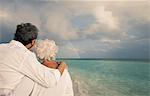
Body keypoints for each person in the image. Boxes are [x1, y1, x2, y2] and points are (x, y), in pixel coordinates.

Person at [0, 23, 67, 96]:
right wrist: (62, 65)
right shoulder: (25, 55)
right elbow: (50, 81)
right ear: (33, 41)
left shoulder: (1, 47)